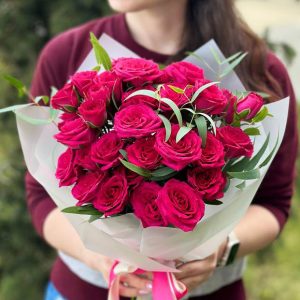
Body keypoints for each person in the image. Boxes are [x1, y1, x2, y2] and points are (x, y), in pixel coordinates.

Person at [26, 0, 298, 299]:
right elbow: (41, 197)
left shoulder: (259, 71)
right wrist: (98, 257)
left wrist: (220, 249)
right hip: (84, 291)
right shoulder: (67, 54)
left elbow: (274, 203)